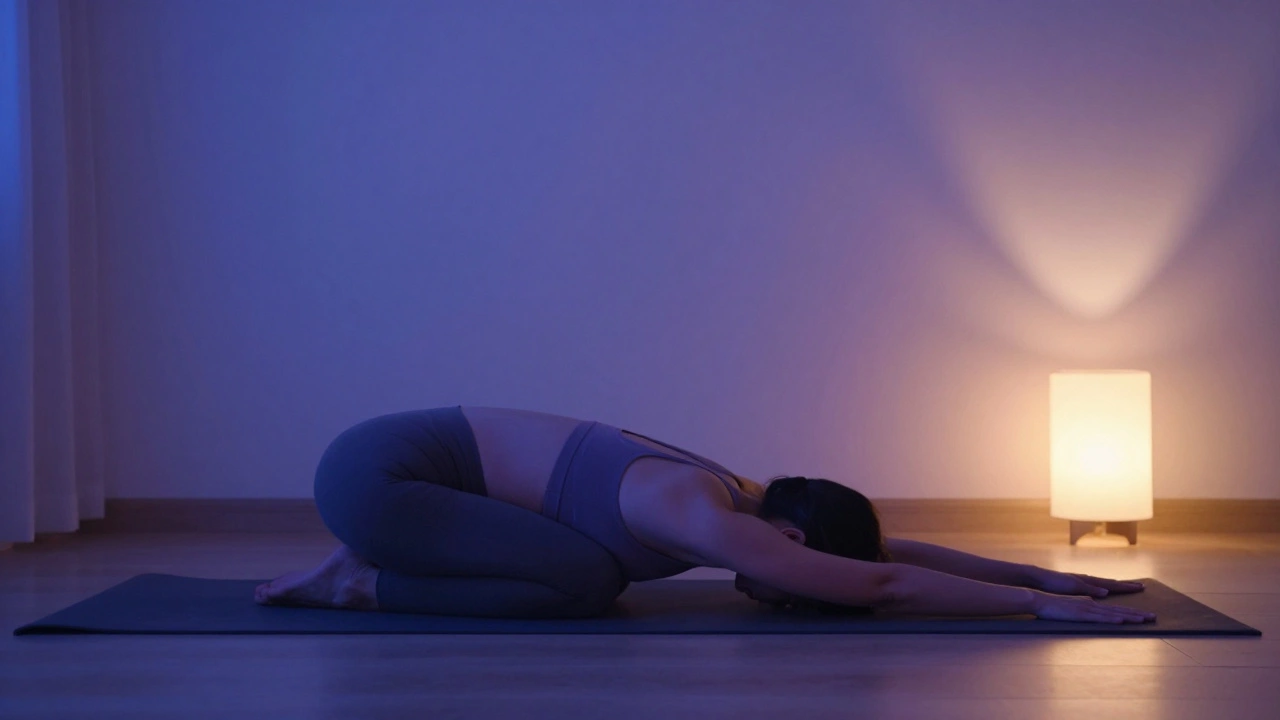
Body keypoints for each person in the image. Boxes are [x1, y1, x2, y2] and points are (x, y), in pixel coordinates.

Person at [255, 406, 1154, 624]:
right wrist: (1036, 610)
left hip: (391, 467)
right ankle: (359, 582)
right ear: (790, 539)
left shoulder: (748, 497)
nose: (788, 594)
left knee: (586, 570)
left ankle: (376, 566)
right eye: (802, 580)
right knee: (582, 583)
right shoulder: (707, 515)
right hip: (379, 482)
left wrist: (1034, 571)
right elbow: (880, 583)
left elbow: (883, 556)